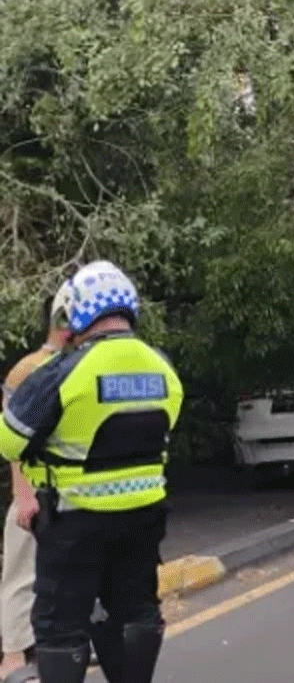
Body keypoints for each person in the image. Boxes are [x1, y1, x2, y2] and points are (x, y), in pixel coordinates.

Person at [0, 260, 184, 683]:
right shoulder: (162, 366)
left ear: (79, 312)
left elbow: (9, 441)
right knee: (135, 607)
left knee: (59, 622)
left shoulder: (64, 370)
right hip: (143, 514)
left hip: (73, 519)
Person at [0, 286, 71, 679]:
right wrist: (23, 493)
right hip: (34, 490)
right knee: (20, 573)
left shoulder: (77, 364)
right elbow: (12, 443)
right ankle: (12, 656)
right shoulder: (28, 369)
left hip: (68, 490)